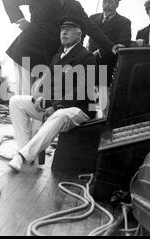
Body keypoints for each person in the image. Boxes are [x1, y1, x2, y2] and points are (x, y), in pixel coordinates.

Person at [2, 0, 114, 95]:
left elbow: (90, 26)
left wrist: (110, 46)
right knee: (23, 94)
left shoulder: (74, 5)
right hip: (26, 51)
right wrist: (21, 21)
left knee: (40, 95)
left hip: (49, 57)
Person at [7, 15, 97, 172]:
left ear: (79, 34)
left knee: (59, 115)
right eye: (62, 29)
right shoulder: (57, 56)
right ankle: (25, 151)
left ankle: (22, 156)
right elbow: (46, 82)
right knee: (16, 101)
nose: (64, 32)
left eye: (69, 30)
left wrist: (56, 106)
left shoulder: (86, 57)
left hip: (78, 109)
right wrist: (39, 97)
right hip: (54, 106)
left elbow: (83, 90)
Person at [88, 0, 132, 85]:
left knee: (102, 96)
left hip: (107, 64)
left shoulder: (124, 22)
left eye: (110, 2)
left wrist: (100, 52)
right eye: (105, 2)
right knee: (85, 94)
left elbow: (123, 43)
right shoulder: (93, 18)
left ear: (117, 4)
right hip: (89, 63)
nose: (107, 5)